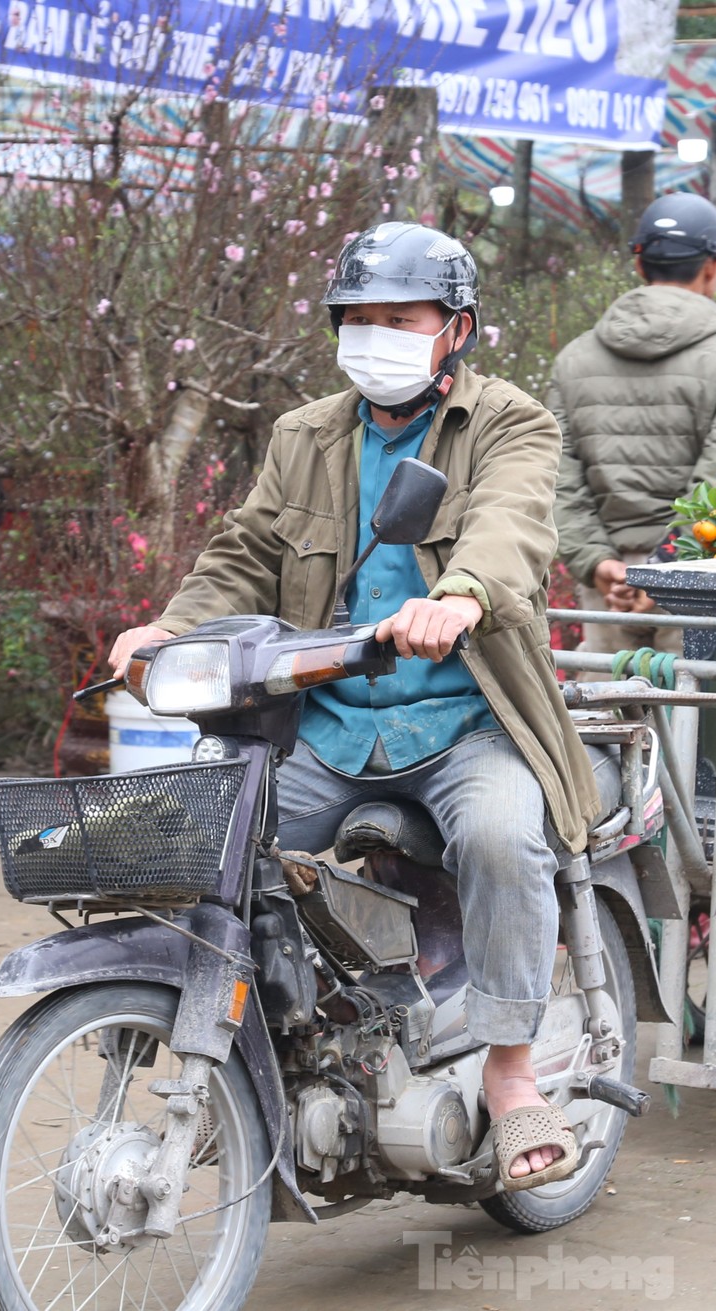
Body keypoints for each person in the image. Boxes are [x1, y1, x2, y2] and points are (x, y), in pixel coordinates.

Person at [106, 222, 603, 1191]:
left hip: (468, 722)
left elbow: (512, 524)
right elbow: (245, 553)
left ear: (453, 329)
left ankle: (509, 1074)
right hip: (329, 727)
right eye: (358, 318)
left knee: (505, 838)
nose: (375, 335)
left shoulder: (510, 422)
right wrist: (168, 628)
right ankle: (244, 1052)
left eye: (399, 318)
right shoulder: (307, 437)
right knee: (199, 839)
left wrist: (461, 596)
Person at [548, 192, 716, 653]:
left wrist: (598, 562)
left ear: (640, 264)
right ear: (711, 266)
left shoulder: (574, 358)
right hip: (698, 580)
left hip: (608, 588)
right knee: (689, 716)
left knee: (603, 716)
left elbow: (557, 477)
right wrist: (669, 565)